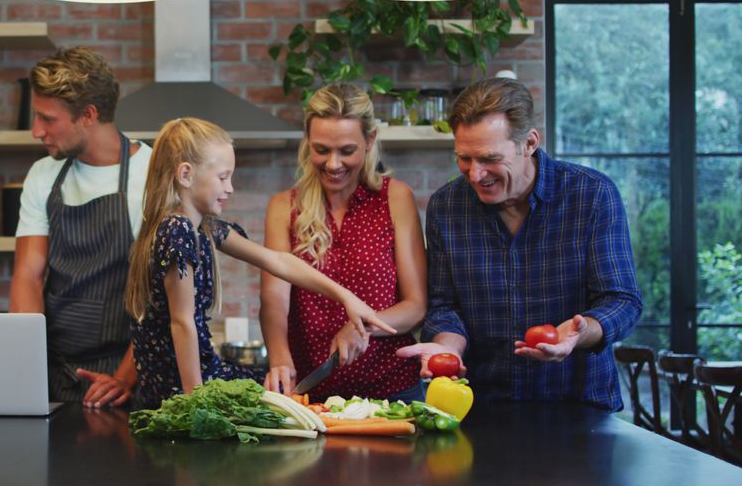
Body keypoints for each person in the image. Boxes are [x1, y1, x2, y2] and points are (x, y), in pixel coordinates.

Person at [396, 77, 643, 411]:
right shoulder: (447, 206)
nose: (475, 174)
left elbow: (622, 300)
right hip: (481, 407)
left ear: (529, 143)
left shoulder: (592, 195)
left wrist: (578, 333)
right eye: (464, 158)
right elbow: (444, 305)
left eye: (489, 158)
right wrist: (447, 349)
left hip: (579, 406)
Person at [124, 117, 394, 408]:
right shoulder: (177, 229)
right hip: (180, 391)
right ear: (186, 174)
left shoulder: (204, 228)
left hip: (192, 380)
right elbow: (182, 322)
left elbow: (278, 261)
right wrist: (195, 403)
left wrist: (346, 298)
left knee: (276, 394)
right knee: (279, 400)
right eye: (223, 177)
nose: (230, 188)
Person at [260, 83, 428, 402]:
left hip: (393, 392)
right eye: (321, 149)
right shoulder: (284, 208)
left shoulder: (395, 198)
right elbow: (274, 301)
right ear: (307, 142)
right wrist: (279, 358)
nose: (333, 163)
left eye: (346, 151)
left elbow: (416, 306)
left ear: (370, 141)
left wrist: (363, 325)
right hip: (313, 395)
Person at [9, 46, 152, 407]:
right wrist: (24, 367)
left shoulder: (152, 174)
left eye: (48, 119)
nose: (35, 131)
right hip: (56, 372)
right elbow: (28, 275)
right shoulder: (44, 174)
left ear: (88, 114)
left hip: (130, 375)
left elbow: (160, 294)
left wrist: (123, 378)